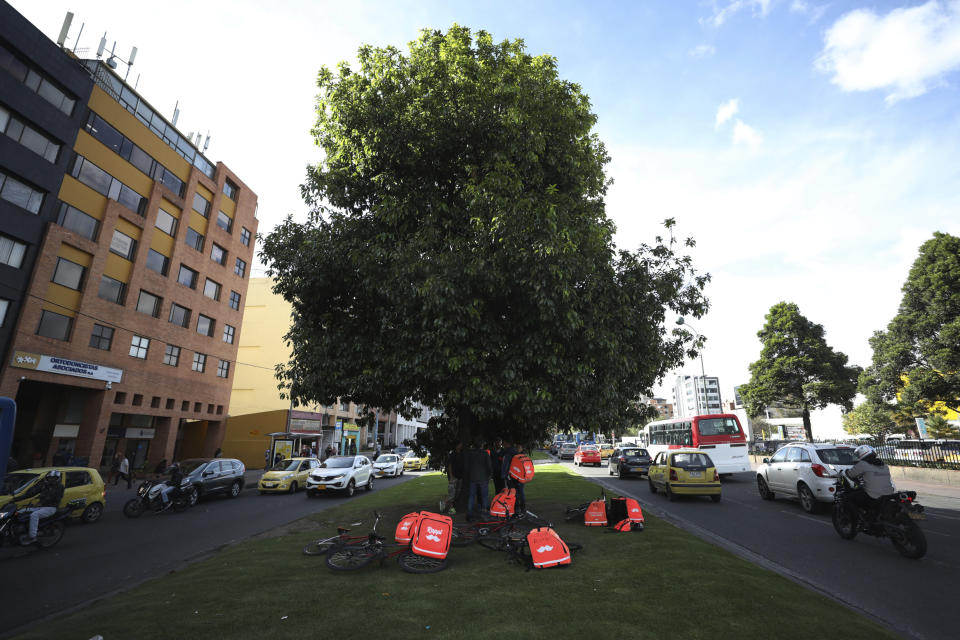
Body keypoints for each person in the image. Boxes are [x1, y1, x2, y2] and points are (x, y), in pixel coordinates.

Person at [845, 444, 896, 519]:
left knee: (848, 498)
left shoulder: (863, 464)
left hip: (873, 495)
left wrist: (846, 471)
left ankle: (856, 520)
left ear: (861, 454)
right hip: (889, 494)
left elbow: (850, 474)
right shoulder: (884, 465)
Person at [15, 470, 64, 544]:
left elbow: (54, 496)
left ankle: (32, 537)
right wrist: (16, 499)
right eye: (50, 478)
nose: (51, 479)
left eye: (53, 478)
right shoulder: (44, 485)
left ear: (57, 478)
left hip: (51, 508)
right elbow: (32, 493)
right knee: (19, 512)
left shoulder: (60, 487)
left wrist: (42, 503)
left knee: (34, 515)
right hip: (40, 506)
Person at [465, 442, 491, 521]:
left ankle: (469, 514)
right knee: (484, 496)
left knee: (471, 496)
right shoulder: (485, 453)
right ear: (482, 445)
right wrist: (489, 475)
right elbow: (489, 466)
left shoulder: (470, 454)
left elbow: (467, 466)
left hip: (473, 478)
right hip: (483, 478)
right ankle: (484, 513)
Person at [501, 441, 526, 512]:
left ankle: (516, 508)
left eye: (504, 444)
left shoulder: (508, 453)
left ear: (507, 444)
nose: (503, 445)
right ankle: (523, 508)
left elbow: (505, 466)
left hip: (512, 477)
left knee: (514, 492)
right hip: (521, 476)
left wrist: (503, 476)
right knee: (521, 492)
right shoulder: (520, 454)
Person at [441, 443, 464, 515]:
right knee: (452, 494)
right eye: (459, 444)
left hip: (460, 477)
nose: (461, 445)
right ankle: (444, 503)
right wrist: (451, 476)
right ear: (456, 445)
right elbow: (449, 466)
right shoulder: (452, 454)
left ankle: (451, 508)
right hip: (453, 477)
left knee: (457, 494)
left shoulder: (462, 454)